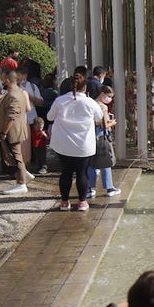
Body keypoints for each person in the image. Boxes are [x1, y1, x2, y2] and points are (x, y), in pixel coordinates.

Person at [48, 77, 104, 211]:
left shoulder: (60, 101)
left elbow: (49, 117)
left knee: (66, 172)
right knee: (81, 173)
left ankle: (64, 202)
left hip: (63, 143)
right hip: (83, 144)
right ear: (85, 88)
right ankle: (82, 202)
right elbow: (99, 117)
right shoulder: (90, 102)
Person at [0, 70, 33, 195]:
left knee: (16, 158)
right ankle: (23, 176)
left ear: (7, 80)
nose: (1, 80)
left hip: (12, 132)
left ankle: (21, 183)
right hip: (14, 130)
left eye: (3, 78)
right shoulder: (17, 92)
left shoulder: (13, 95)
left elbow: (12, 116)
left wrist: (4, 132)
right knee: (15, 157)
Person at [86, 87, 121, 200]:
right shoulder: (103, 107)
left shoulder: (91, 103)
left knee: (92, 163)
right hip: (102, 137)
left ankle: (89, 188)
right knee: (106, 162)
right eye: (109, 96)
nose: (110, 99)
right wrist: (113, 122)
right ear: (102, 94)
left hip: (92, 137)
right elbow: (105, 124)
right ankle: (109, 188)